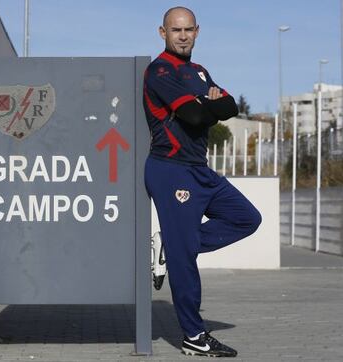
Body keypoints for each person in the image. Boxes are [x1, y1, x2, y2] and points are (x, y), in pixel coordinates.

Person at [143, 6, 262, 358]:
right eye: (175, 30)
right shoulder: (160, 70)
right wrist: (205, 104)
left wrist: (205, 103)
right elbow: (197, 115)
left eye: (188, 29)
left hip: (199, 169)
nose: (182, 35)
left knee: (247, 218)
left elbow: (230, 107)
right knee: (184, 261)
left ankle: (172, 244)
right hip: (170, 169)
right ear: (162, 33)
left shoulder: (198, 71)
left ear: (197, 32)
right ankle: (194, 337)